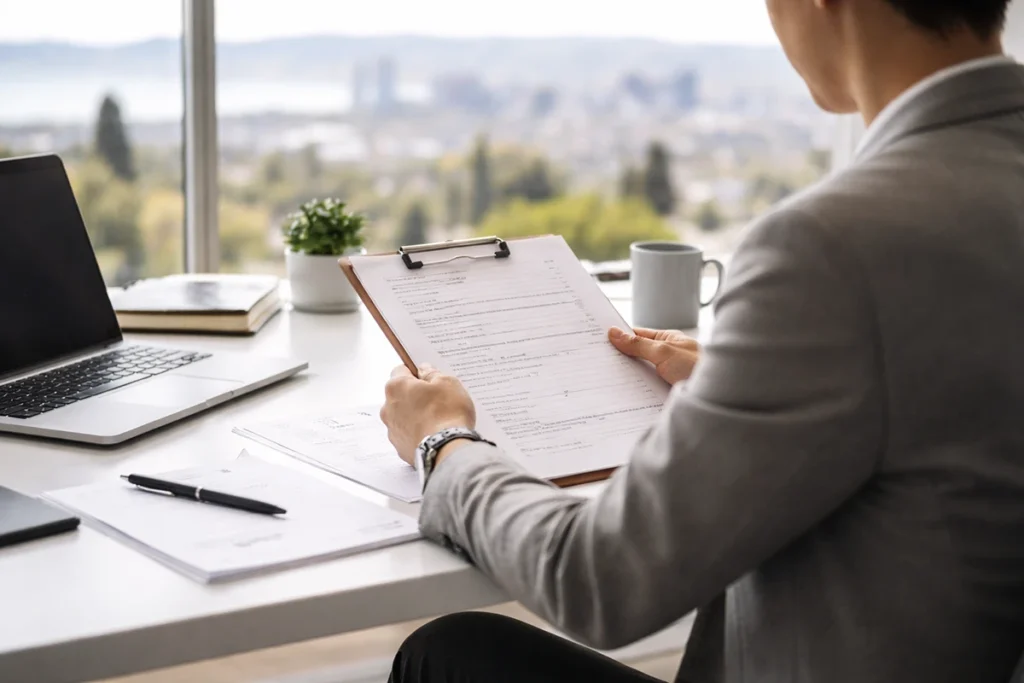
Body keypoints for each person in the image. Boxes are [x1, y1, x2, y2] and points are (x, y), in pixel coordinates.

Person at [379, 0, 1024, 681]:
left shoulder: (833, 246)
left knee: (443, 652)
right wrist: (757, 377)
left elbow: (599, 578)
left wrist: (443, 443)